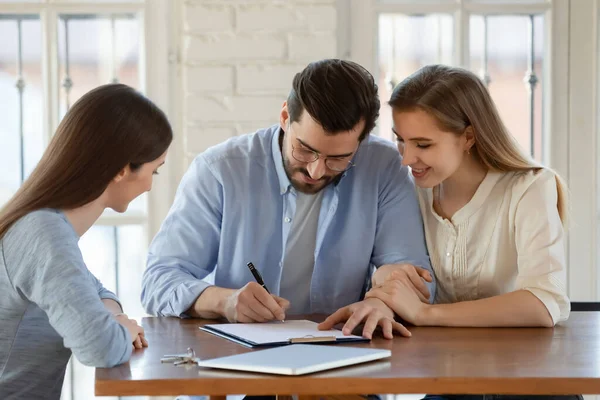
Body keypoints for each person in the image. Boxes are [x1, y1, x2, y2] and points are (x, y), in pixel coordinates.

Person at [319, 64, 580, 400]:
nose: (407, 158)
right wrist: (385, 287)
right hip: (449, 378)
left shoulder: (530, 187)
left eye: (423, 145)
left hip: (529, 380)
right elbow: (398, 272)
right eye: (401, 141)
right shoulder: (413, 190)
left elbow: (544, 303)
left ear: (468, 137)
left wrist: (426, 314)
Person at [141, 58, 435, 339]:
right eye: (305, 150)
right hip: (240, 365)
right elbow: (158, 280)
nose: (316, 170)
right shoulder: (221, 169)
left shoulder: (384, 167)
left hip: (346, 356)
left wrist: (383, 302)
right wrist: (224, 302)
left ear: (362, 141)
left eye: (339, 158)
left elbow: (417, 280)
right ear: (285, 117)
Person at [0, 83, 173, 400]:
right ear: (122, 170)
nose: (150, 186)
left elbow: (99, 292)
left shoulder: (44, 224)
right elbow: (100, 347)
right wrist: (123, 329)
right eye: (155, 171)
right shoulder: (43, 233)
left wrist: (113, 316)